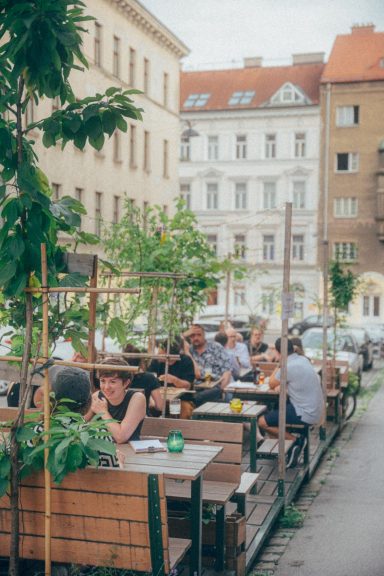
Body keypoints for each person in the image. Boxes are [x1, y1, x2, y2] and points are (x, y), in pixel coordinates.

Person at [29, 365, 119, 468]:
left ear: (50, 398)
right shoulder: (99, 436)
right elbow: (112, 478)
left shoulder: (33, 433)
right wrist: (119, 462)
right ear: (89, 402)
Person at [258, 337, 325, 468]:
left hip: (305, 412)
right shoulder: (303, 359)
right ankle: (287, 448)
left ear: (278, 353)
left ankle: (294, 441)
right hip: (315, 409)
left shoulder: (287, 366)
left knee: (261, 421)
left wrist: (279, 364)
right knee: (275, 412)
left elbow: (271, 383)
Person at [86, 357, 146, 444]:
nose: (106, 387)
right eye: (102, 381)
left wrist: (103, 411)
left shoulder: (137, 398)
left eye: (112, 382)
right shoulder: (97, 397)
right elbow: (79, 424)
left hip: (130, 454)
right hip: (103, 453)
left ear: (126, 383)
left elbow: (120, 437)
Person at [184, 323, 232, 405]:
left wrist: (222, 390)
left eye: (199, 335)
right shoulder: (188, 351)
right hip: (195, 388)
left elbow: (227, 371)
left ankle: (193, 402)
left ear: (204, 335)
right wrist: (184, 335)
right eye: (192, 335)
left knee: (206, 395)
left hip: (214, 387)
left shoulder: (216, 347)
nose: (196, 338)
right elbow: (174, 341)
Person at [123, 343, 163, 414]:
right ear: (140, 361)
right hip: (143, 419)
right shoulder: (149, 378)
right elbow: (160, 406)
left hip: (118, 418)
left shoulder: (117, 378)